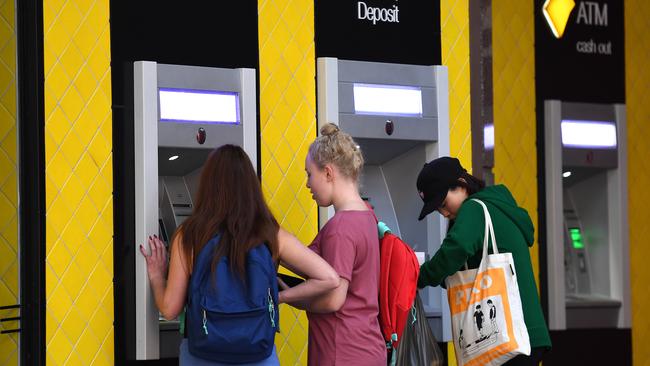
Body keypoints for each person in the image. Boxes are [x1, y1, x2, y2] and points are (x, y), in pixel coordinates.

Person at [140, 144, 340, 365]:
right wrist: (278, 296)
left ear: (208, 184)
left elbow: (169, 309)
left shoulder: (189, 235)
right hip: (258, 356)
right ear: (250, 186)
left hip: (202, 355)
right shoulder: (271, 233)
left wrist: (158, 277)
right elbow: (329, 278)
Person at [415, 156, 551, 365]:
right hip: (526, 333)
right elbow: (457, 269)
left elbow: (455, 250)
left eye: (443, 203)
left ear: (461, 183)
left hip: (509, 336)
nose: (443, 213)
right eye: (438, 210)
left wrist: (417, 276)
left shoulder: (474, 209)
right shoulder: (496, 206)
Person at [280, 123, 386, 366]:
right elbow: (318, 267)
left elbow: (333, 300)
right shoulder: (367, 216)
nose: (307, 184)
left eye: (309, 174)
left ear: (328, 173)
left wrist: (285, 297)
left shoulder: (341, 228)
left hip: (342, 351)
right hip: (367, 347)